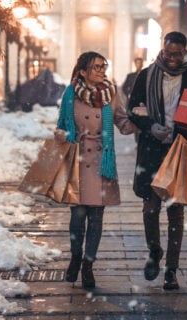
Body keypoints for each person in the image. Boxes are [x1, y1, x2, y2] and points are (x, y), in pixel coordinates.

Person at [125, 31, 187, 290]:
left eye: (177, 54)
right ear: (162, 49)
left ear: (185, 51)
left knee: (175, 212)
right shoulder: (147, 75)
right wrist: (150, 126)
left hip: (180, 149)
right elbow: (132, 109)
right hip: (152, 151)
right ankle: (155, 252)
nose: (172, 59)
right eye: (168, 54)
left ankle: (171, 270)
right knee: (150, 209)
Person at [54, 51, 138, 290]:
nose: (102, 70)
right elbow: (61, 125)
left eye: (104, 66)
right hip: (78, 159)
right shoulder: (71, 93)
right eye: (96, 67)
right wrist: (63, 134)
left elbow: (122, 122)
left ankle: (88, 265)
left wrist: (139, 120)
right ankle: (75, 257)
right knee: (78, 215)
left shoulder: (111, 93)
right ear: (82, 71)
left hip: (102, 160)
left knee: (97, 216)